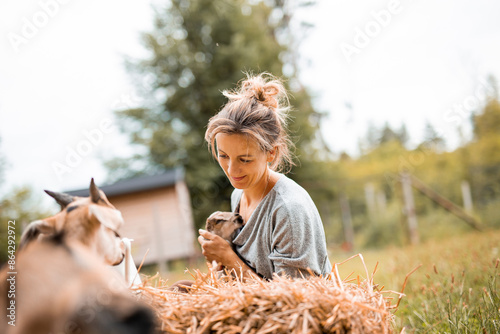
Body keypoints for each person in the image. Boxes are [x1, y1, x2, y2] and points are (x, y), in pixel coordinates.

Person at [198, 73, 332, 280]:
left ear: (271, 152)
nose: (232, 171)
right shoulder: (238, 195)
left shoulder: (288, 209)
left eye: (245, 159)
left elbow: (293, 301)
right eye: (224, 156)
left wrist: (228, 258)